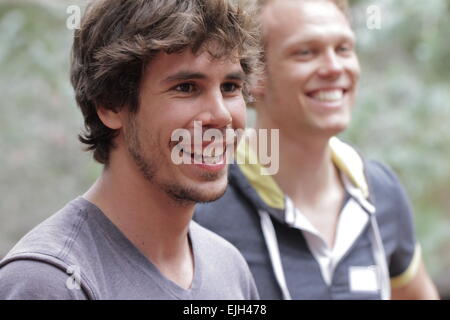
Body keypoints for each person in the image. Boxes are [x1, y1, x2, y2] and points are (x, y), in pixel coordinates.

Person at [0, 0, 261, 300]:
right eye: (186, 87)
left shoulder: (228, 266)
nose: (222, 116)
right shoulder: (50, 282)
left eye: (230, 87)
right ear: (110, 104)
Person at [195, 0, 439, 299]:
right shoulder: (204, 202)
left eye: (344, 48)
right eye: (305, 52)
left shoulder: (380, 191)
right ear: (255, 76)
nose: (334, 68)